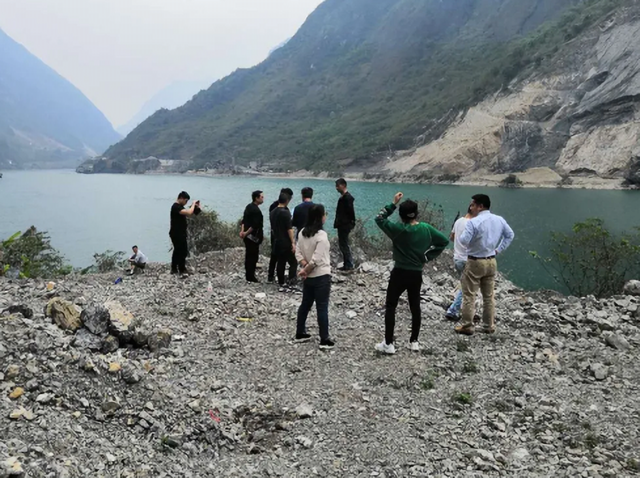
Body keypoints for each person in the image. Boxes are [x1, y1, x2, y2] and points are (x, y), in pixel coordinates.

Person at [374, 193, 449, 354]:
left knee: (391, 305)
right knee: (415, 306)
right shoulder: (426, 229)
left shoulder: (398, 229)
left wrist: (393, 203)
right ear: (416, 213)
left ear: (401, 215)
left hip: (399, 272)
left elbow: (379, 218)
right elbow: (443, 241)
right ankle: (414, 341)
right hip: (416, 274)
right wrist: (427, 256)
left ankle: (389, 343)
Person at [455, 194, 515, 336]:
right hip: (491, 260)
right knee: (488, 296)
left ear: (480, 206)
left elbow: (464, 240)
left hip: (475, 261)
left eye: (473, 205)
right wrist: (498, 249)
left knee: (469, 295)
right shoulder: (499, 220)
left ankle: (467, 325)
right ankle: (489, 325)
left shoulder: (473, 222)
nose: (471, 208)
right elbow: (510, 235)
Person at [295, 204, 335, 350]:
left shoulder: (302, 232)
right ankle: (324, 339)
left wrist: (304, 267)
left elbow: (298, 252)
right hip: (321, 275)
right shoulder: (321, 236)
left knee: (305, 304)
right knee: (322, 307)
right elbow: (317, 260)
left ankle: (300, 332)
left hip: (309, 278)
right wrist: (306, 270)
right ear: (320, 217)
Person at [445, 207, 473, 320]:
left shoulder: (458, 221)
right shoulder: (472, 224)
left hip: (457, 259)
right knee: (467, 287)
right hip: (468, 259)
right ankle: (453, 310)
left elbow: (452, 237)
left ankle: (461, 308)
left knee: (465, 285)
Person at [170, 191, 199, 277]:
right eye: (186, 201)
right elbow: (189, 213)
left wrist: (196, 208)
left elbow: (191, 213)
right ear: (181, 198)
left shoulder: (180, 207)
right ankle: (181, 269)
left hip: (180, 233)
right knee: (182, 251)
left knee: (178, 250)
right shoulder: (175, 207)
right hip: (176, 233)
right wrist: (193, 204)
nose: (186, 203)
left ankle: (175, 268)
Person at [270, 192, 297, 287]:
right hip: (285, 241)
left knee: (281, 262)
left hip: (276, 240)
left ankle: (281, 281)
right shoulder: (285, 213)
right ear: (287, 201)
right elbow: (289, 229)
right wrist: (293, 242)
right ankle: (291, 280)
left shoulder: (272, 212)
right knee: (293, 262)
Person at [240, 190, 265, 283]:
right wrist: (246, 233)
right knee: (253, 256)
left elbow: (243, 220)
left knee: (249, 255)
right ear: (256, 198)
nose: (263, 198)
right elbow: (254, 225)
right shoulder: (256, 211)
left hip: (247, 237)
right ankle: (251, 276)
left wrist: (242, 231)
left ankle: (248, 275)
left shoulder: (248, 207)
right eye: (261, 197)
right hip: (253, 237)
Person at [334, 178, 356, 271]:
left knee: (344, 244)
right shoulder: (344, 198)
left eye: (338, 186)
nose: (336, 188)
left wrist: (351, 222)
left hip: (344, 224)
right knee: (343, 244)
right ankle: (347, 263)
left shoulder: (347, 198)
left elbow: (351, 212)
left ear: (343, 185)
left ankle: (349, 265)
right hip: (342, 224)